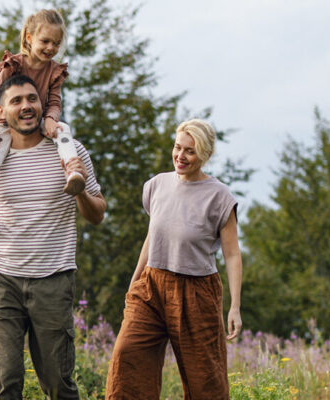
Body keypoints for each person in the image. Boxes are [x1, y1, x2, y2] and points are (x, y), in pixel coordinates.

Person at [0, 74, 107, 400]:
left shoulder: (69, 151)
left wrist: (79, 190)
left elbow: (97, 214)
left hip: (53, 279)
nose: (26, 106)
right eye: (16, 101)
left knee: (57, 383)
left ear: (42, 104)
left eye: (32, 98)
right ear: (2, 112)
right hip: (3, 279)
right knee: (5, 380)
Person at [105, 119, 243, 400]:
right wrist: (134, 283)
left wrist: (235, 307)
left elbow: (232, 254)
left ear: (205, 154)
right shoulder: (157, 185)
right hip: (151, 287)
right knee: (127, 355)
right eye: (178, 147)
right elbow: (152, 238)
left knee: (205, 380)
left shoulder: (219, 197)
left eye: (190, 151)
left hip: (197, 293)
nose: (180, 156)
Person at [0, 9, 82, 229]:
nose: (51, 48)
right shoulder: (15, 65)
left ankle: (73, 171)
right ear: (29, 37)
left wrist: (51, 118)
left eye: (56, 43)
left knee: (62, 129)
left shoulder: (54, 71)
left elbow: (54, 101)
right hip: (7, 124)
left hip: (39, 119)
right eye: (45, 41)